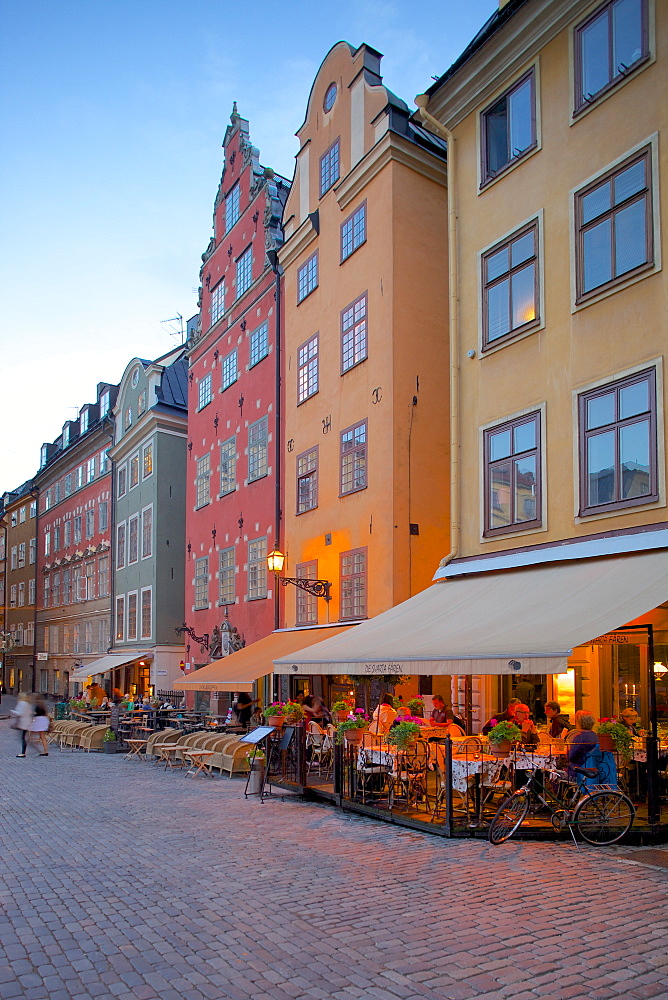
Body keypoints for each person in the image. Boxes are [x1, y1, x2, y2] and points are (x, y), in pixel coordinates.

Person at [566, 710, 600, 779]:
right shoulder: (595, 735)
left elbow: (571, 756)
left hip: (578, 771)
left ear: (579, 722)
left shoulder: (579, 737)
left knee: (555, 776)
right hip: (593, 769)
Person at [11, 692, 34, 757]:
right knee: (23, 737)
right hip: (27, 722)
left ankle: (23, 752)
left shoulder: (22, 703)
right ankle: (24, 751)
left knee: (23, 738)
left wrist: (13, 712)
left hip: (23, 723)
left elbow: (20, 713)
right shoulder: (28, 704)